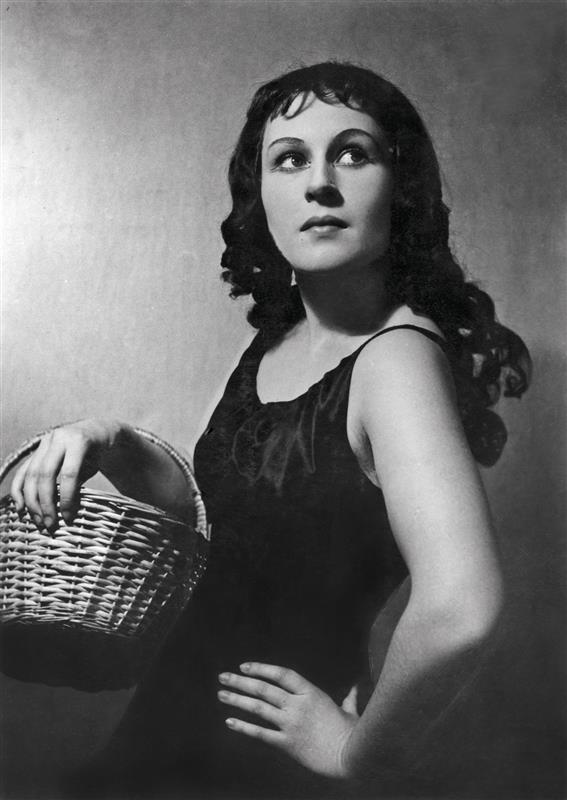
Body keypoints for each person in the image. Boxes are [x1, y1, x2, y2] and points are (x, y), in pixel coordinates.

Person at [11, 62, 531, 798]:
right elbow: (224, 522)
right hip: (170, 728)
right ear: (261, 193)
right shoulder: (281, 340)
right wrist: (108, 439)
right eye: (289, 158)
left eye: (352, 153)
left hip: (256, 767)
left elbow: (462, 608)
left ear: (401, 187)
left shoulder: (397, 359)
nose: (319, 183)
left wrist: (357, 752)